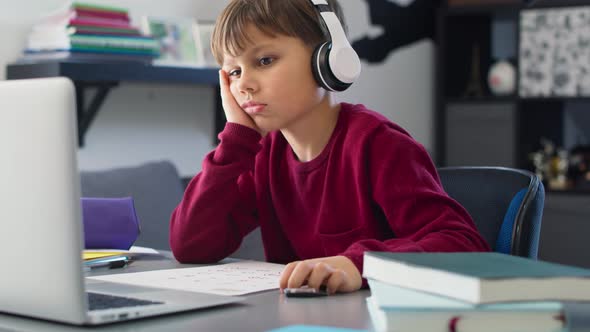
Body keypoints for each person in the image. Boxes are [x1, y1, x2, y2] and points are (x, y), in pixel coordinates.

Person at [169, 0, 490, 295]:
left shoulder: (378, 144)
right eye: (234, 72)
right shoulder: (264, 157)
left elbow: (464, 244)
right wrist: (235, 140)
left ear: (329, 59)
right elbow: (191, 245)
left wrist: (358, 264)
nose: (244, 84)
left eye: (265, 60)